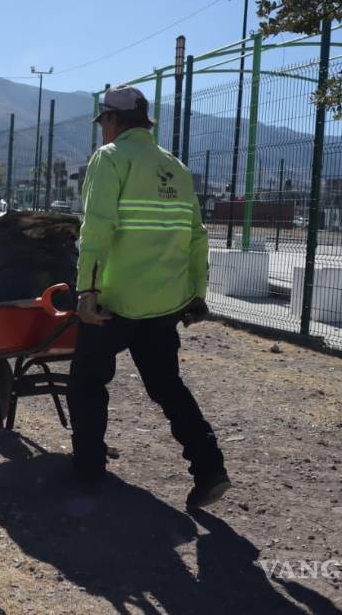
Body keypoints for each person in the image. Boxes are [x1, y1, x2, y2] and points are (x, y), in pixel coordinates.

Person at [67, 85, 230, 511]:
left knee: (87, 380)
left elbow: (97, 228)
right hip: (163, 303)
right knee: (167, 386)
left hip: (114, 301)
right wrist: (196, 294)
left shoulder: (111, 159)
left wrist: (86, 290)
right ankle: (210, 468)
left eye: (104, 122)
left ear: (113, 121)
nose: (103, 130)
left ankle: (88, 469)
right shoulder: (175, 167)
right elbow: (196, 237)